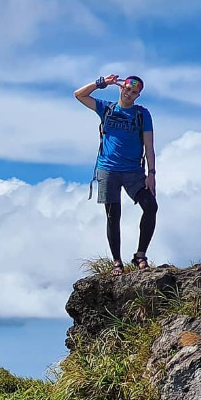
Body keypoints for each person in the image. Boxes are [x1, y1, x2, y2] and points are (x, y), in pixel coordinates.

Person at [74, 74, 157, 275]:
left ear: (138, 95)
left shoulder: (142, 114)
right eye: (127, 89)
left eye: (134, 92)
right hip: (108, 169)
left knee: (151, 207)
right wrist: (102, 83)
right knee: (113, 216)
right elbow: (79, 95)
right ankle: (117, 262)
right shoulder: (107, 108)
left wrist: (151, 173)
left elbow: (149, 146)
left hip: (133, 172)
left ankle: (140, 255)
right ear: (121, 88)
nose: (129, 94)